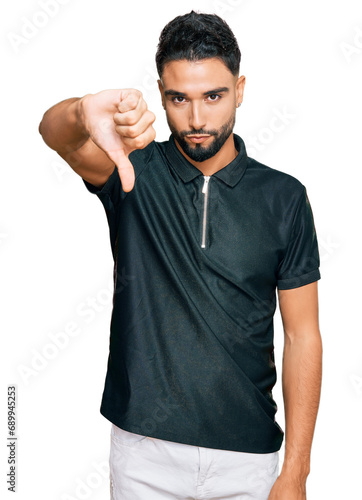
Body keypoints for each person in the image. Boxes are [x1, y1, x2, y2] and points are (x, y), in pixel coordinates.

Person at [38, 11, 322, 500]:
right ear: (161, 93)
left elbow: (302, 337)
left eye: (214, 96)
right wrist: (84, 111)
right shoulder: (131, 171)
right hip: (145, 451)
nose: (196, 119)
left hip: (249, 457)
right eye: (178, 98)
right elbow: (53, 133)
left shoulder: (285, 197)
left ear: (240, 87)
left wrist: (295, 472)